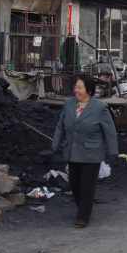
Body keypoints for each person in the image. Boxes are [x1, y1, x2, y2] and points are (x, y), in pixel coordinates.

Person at [52, 75, 119, 228]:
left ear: (88, 90)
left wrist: (113, 152)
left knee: (87, 186)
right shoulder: (69, 105)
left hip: (91, 153)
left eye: (80, 87)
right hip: (72, 151)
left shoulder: (99, 108)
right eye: (75, 87)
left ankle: (83, 216)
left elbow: (109, 132)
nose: (76, 90)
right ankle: (83, 207)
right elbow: (60, 126)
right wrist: (55, 145)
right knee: (74, 184)